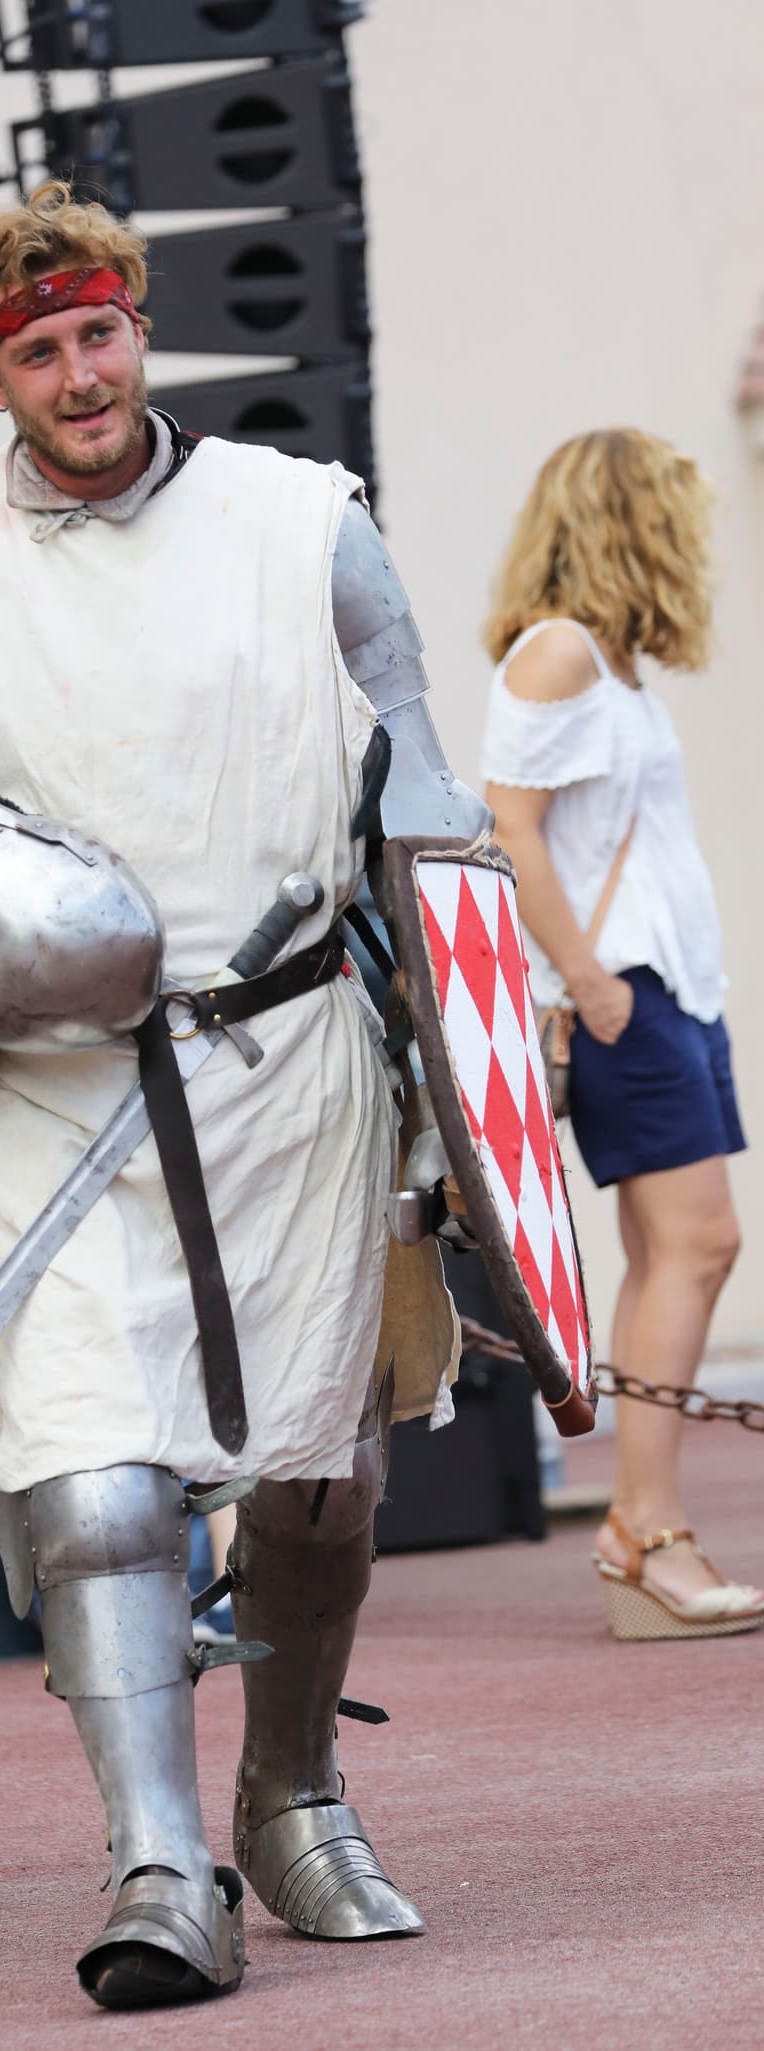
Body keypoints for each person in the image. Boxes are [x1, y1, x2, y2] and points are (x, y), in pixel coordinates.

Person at [0, 182, 483, 2008]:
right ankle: (158, 1861)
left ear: (140, 327)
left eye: (100, 332)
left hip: (288, 1064)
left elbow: (420, 780)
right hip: (40, 1078)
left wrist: (468, 1094)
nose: (82, 374)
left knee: (318, 1476)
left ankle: (291, 1791)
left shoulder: (298, 522)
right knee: (92, 1484)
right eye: (39, 350)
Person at [481, 428, 758, 1642]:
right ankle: (644, 1529)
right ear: (625, 517)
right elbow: (509, 830)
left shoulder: (612, 665)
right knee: (698, 1245)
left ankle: (644, 1528)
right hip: (627, 995)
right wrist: (588, 983)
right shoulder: (559, 655)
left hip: (667, 991)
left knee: (670, 1252)